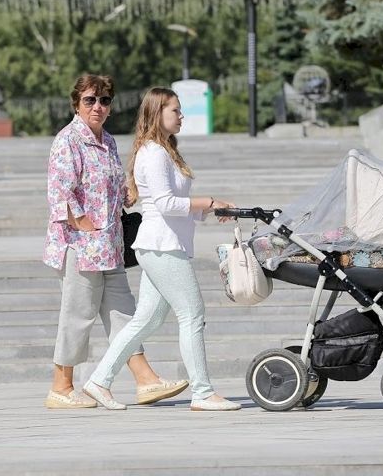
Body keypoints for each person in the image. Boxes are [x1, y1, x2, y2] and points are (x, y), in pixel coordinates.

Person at [84, 87, 241, 411]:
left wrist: (210, 210)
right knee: (192, 314)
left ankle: (99, 381)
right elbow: (166, 204)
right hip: (161, 246)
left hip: (164, 244)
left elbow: (171, 204)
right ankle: (202, 392)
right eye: (175, 111)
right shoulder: (153, 153)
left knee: (146, 320)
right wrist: (208, 201)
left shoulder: (164, 150)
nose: (181, 116)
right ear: (157, 113)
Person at [43, 75, 188, 409]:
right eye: (90, 100)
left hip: (111, 245)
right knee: (78, 316)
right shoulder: (68, 140)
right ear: (76, 104)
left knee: (125, 313)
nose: (98, 107)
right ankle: (61, 387)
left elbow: (114, 186)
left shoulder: (107, 140)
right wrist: (86, 226)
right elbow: (60, 193)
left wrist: (129, 193)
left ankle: (146, 380)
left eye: (104, 100)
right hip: (80, 246)